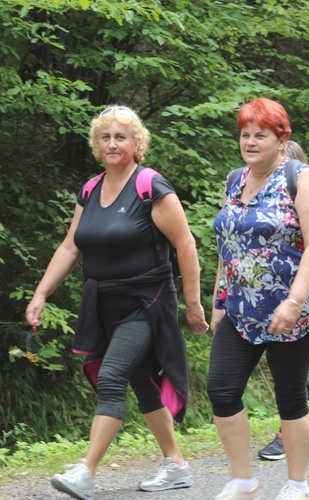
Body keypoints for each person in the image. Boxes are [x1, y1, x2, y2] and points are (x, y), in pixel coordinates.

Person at [25, 105, 209, 499]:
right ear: (96, 144)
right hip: (103, 306)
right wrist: (42, 293)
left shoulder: (151, 186)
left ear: (136, 142)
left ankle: (85, 472)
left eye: (120, 137)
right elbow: (71, 246)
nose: (112, 144)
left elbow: (185, 244)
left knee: (111, 377)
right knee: (142, 383)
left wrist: (193, 305)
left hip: (146, 303)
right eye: (105, 137)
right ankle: (176, 464)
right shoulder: (90, 190)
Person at [208, 98, 309, 500]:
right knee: (222, 390)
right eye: (245, 134)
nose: (250, 141)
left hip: (290, 310)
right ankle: (243, 481)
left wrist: (294, 302)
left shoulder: (299, 176)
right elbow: (228, 246)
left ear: (281, 139)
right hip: (241, 309)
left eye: (260, 135)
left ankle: (297, 484)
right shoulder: (233, 180)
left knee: (291, 396)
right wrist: (218, 300)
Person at [257, 140, 309, 462]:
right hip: (263, 298)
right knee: (280, 367)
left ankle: (286, 433)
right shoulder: (259, 199)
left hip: (300, 301)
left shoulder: (307, 200)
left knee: (286, 373)